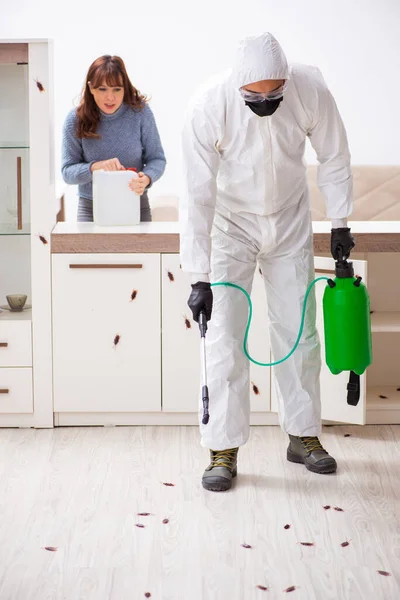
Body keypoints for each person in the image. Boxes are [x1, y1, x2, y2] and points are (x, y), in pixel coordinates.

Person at [180, 32, 355, 492]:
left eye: (274, 93)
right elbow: (196, 197)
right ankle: (223, 446)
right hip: (229, 225)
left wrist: (340, 222)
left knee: (299, 330)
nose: (265, 101)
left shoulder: (309, 89)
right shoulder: (208, 105)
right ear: (239, 86)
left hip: (290, 218)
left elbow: (334, 155)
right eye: (254, 95)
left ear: (286, 80)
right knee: (224, 337)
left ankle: (303, 435)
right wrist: (198, 276)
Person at [61, 55, 166, 221]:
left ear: (124, 88)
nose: (110, 97)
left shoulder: (140, 113)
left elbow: (157, 159)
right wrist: (96, 167)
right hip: (91, 209)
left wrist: (146, 178)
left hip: (135, 205)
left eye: (117, 89)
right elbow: (67, 172)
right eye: (102, 89)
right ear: (91, 88)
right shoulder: (75, 119)